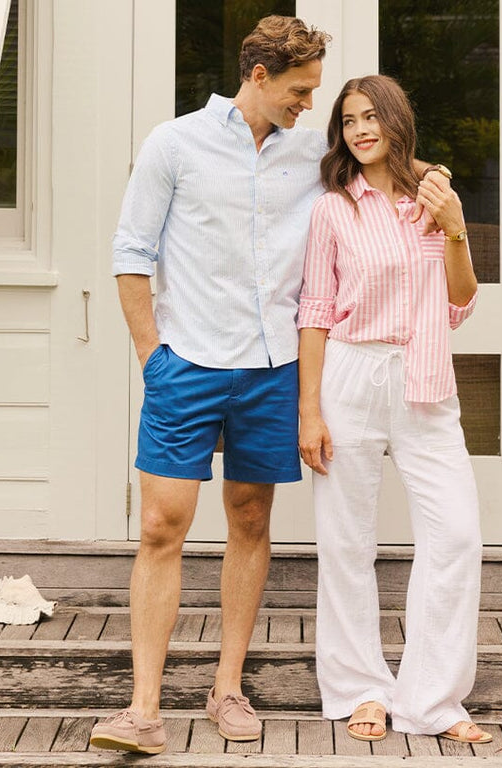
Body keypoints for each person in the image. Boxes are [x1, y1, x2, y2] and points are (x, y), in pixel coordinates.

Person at [89, 16, 331, 755]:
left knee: (251, 521)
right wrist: (151, 357)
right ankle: (143, 709)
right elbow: (131, 252)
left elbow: (379, 192)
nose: (308, 105)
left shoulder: (316, 154)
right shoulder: (174, 144)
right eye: (299, 90)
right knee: (162, 526)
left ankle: (227, 687)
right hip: (185, 364)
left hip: (272, 369)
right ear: (259, 76)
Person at [297, 74, 490, 745]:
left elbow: (460, 304)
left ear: (396, 120)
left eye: (371, 116)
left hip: (426, 380)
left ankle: (431, 700)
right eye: (348, 120)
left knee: (458, 535)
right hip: (350, 375)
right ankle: (361, 690)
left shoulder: (434, 197)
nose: (360, 129)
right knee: (346, 541)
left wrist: (457, 230)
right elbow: (315, 313)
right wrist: (309, 412)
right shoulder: (333, 209)